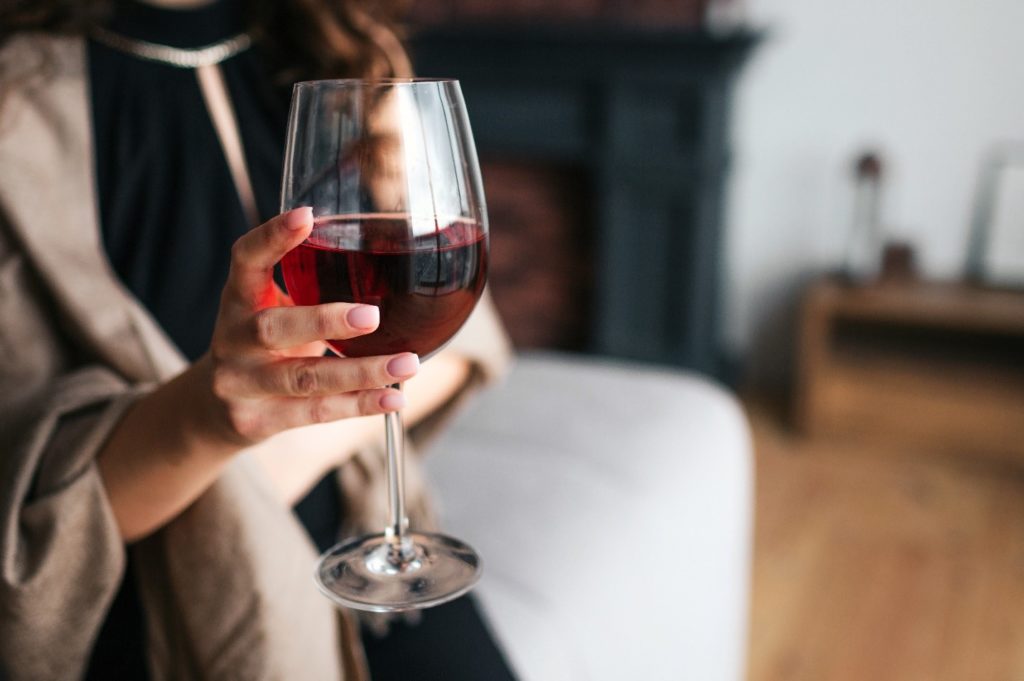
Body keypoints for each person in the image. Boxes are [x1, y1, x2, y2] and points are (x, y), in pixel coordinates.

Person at [0, 0, 515, 678]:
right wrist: (220, 423)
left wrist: (287, 445)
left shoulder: (336, 45)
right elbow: (39, 523)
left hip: (363, 530)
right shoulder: (20, 111)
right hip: (176, 591)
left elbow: (458, 324)